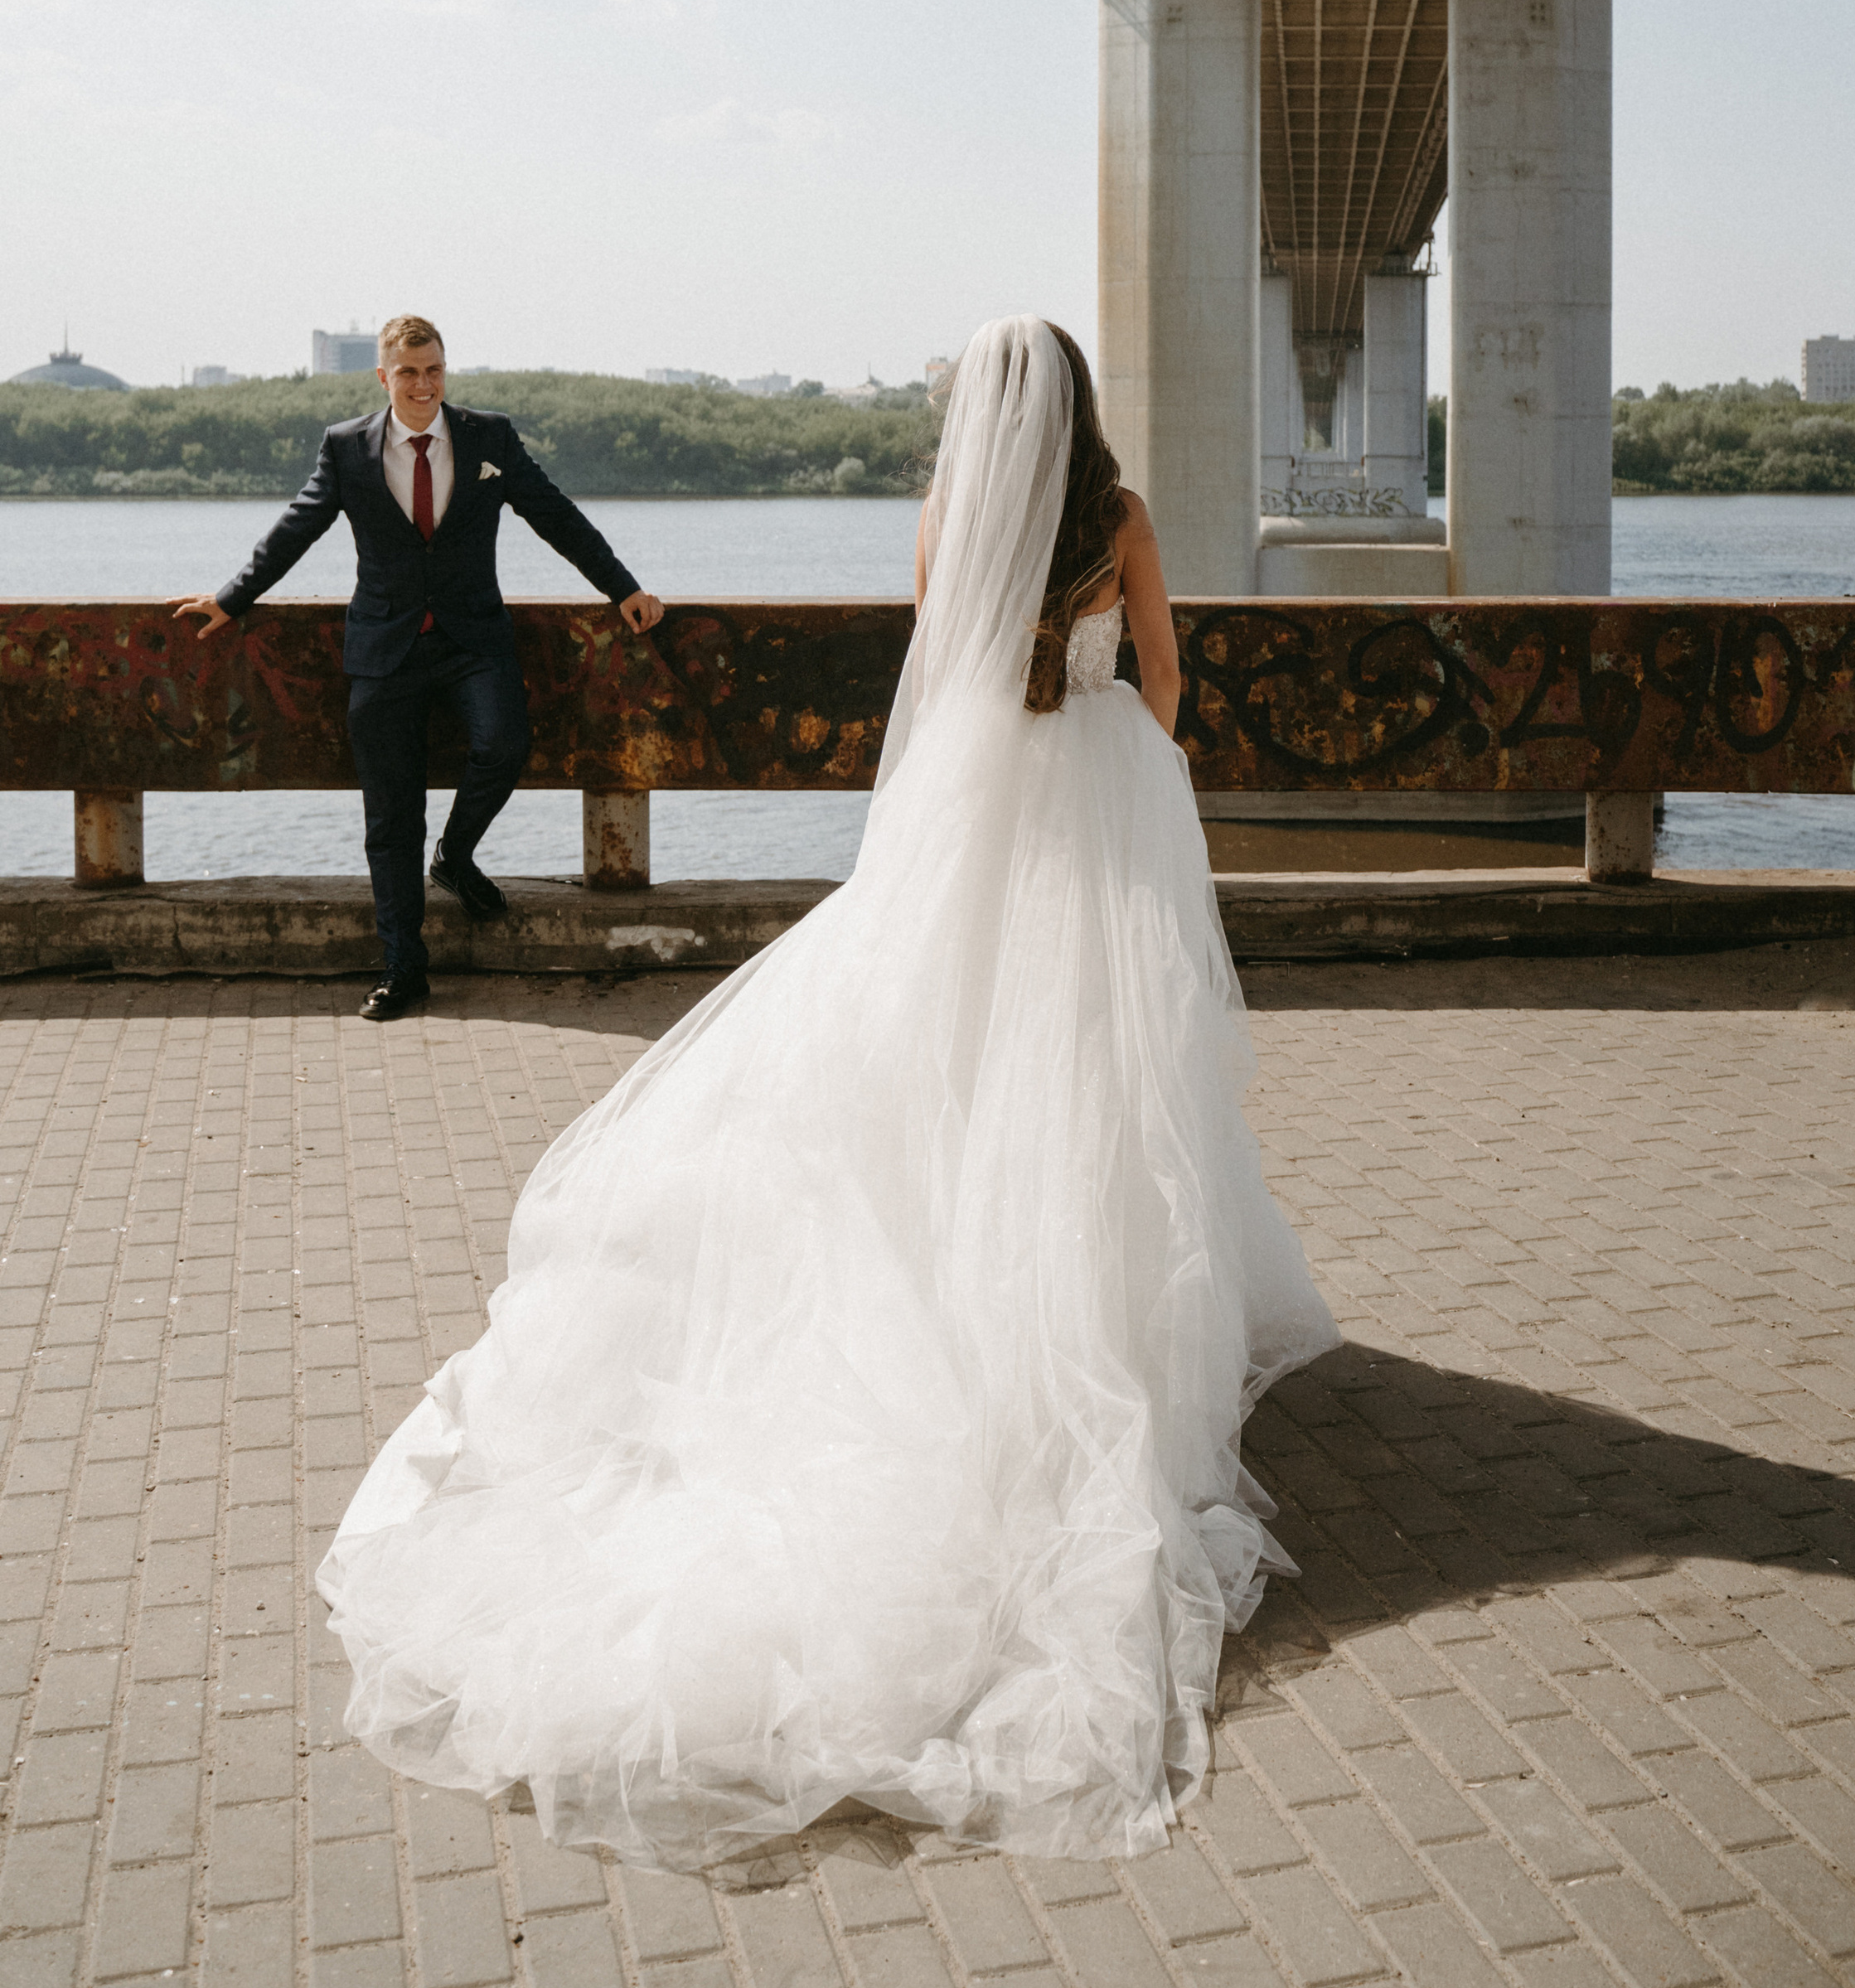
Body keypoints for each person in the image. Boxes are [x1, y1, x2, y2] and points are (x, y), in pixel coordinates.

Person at [316, 317, 1338, 1865]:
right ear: (1075, 407)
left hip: (980, 792)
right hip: (1100, 793)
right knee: (1098, 1061)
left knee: (952, 1048)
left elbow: (940, 682)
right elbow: (1166, 675)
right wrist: (1132, 777)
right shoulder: (1121, 517)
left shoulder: (944, 517)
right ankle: (1091, 1293)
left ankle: (951, 1263)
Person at [176, 315, 663, 1023]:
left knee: (504, 743)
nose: (423, 384)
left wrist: (623, 588)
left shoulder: (489, 438)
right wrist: (230, 598)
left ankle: (455, 856)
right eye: (408, 372)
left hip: (473, 641)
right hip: (386, 648)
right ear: (384, 377)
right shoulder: (347, 447)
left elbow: (556, 515)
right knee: (391, 819)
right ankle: (404, 968)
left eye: (433, 369)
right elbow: (297, 528)